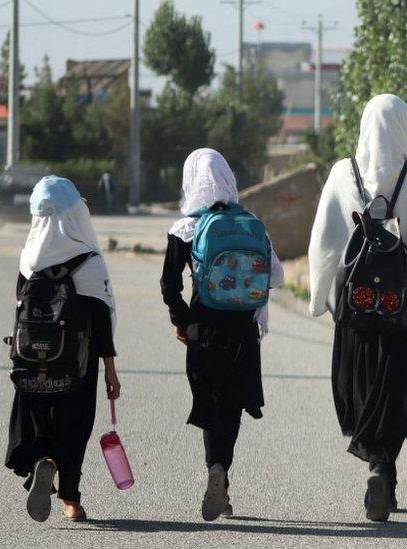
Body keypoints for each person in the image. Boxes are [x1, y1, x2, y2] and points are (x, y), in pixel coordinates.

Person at [307, 94, 407, 523]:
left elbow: (324, 241)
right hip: (400, 309)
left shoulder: (342, 173)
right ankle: (385, 469)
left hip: (356, 309)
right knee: (395, 390)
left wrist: (319, 298)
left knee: (362, 388)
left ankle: (379, 469)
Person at [160, 148, 284, 521]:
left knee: (211, 406)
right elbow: (275, 276)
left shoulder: (185, 228)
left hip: (204, 330)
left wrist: (182, 321)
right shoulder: (249, 222)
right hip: (243, 332)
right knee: (231, 409)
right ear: (228, 178)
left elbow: (169, 284)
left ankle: (217, 473)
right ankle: (222, 473)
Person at [5, 175, 120, 522]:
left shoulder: (30, 258)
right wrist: (111, 373)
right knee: (75, 424)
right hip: (78, 365)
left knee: (38, 415)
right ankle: (70, 499)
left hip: (32, 359)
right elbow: (101, 324)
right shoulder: (88, 260)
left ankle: (43, 460)